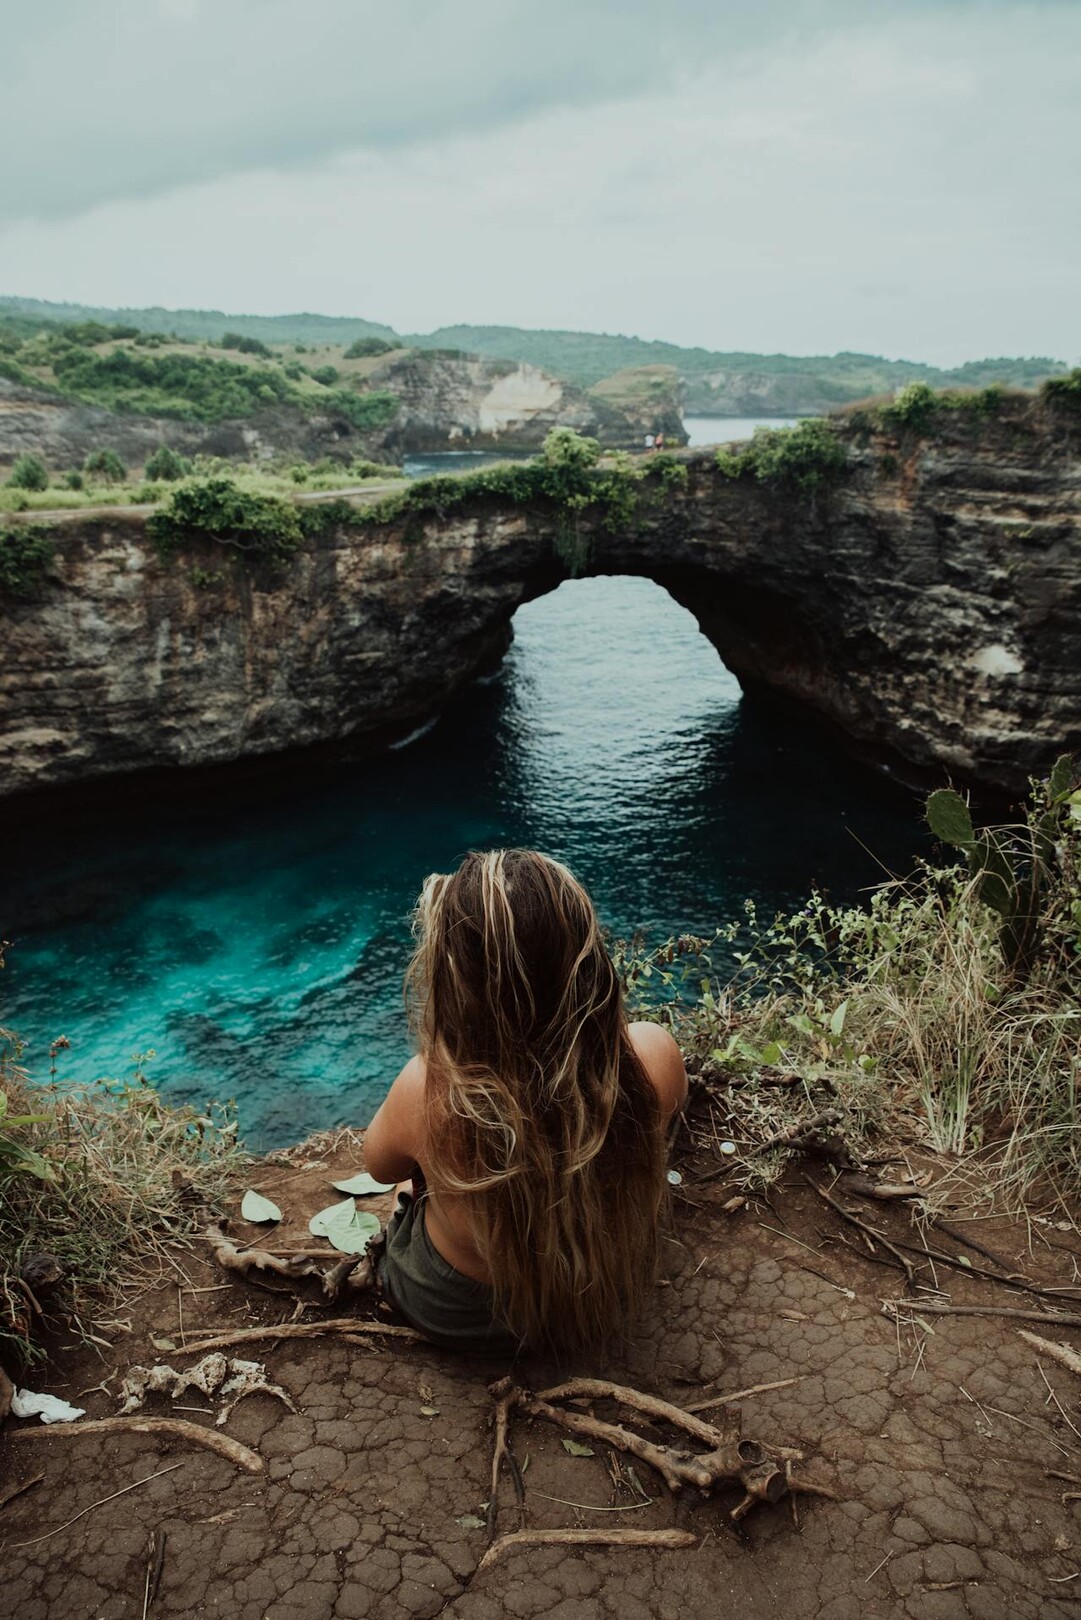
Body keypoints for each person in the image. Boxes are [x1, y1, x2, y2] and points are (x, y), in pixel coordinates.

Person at [363, 849, 687, 1356]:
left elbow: (379, 1167)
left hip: (463, 1313)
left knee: (413, 1175)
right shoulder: (651, 1055)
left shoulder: (428, 1088)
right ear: (587, 962)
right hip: (607, 1290)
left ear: (457, 984)